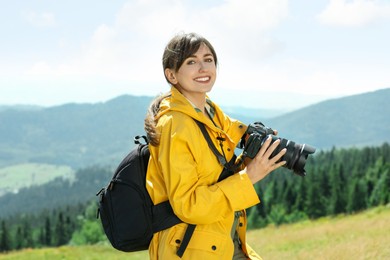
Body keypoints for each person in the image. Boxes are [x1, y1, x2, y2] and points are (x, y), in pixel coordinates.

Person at [144, 32, 286, 260]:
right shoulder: (174, 124)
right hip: (189, 249)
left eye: (208, 59)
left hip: (223, 240)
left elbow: (219, 177)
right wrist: (248, 177)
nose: (203, 68)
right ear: (171, 75)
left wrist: (251, 161)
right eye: (191, 62)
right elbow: (189, 205)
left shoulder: (211, 113)